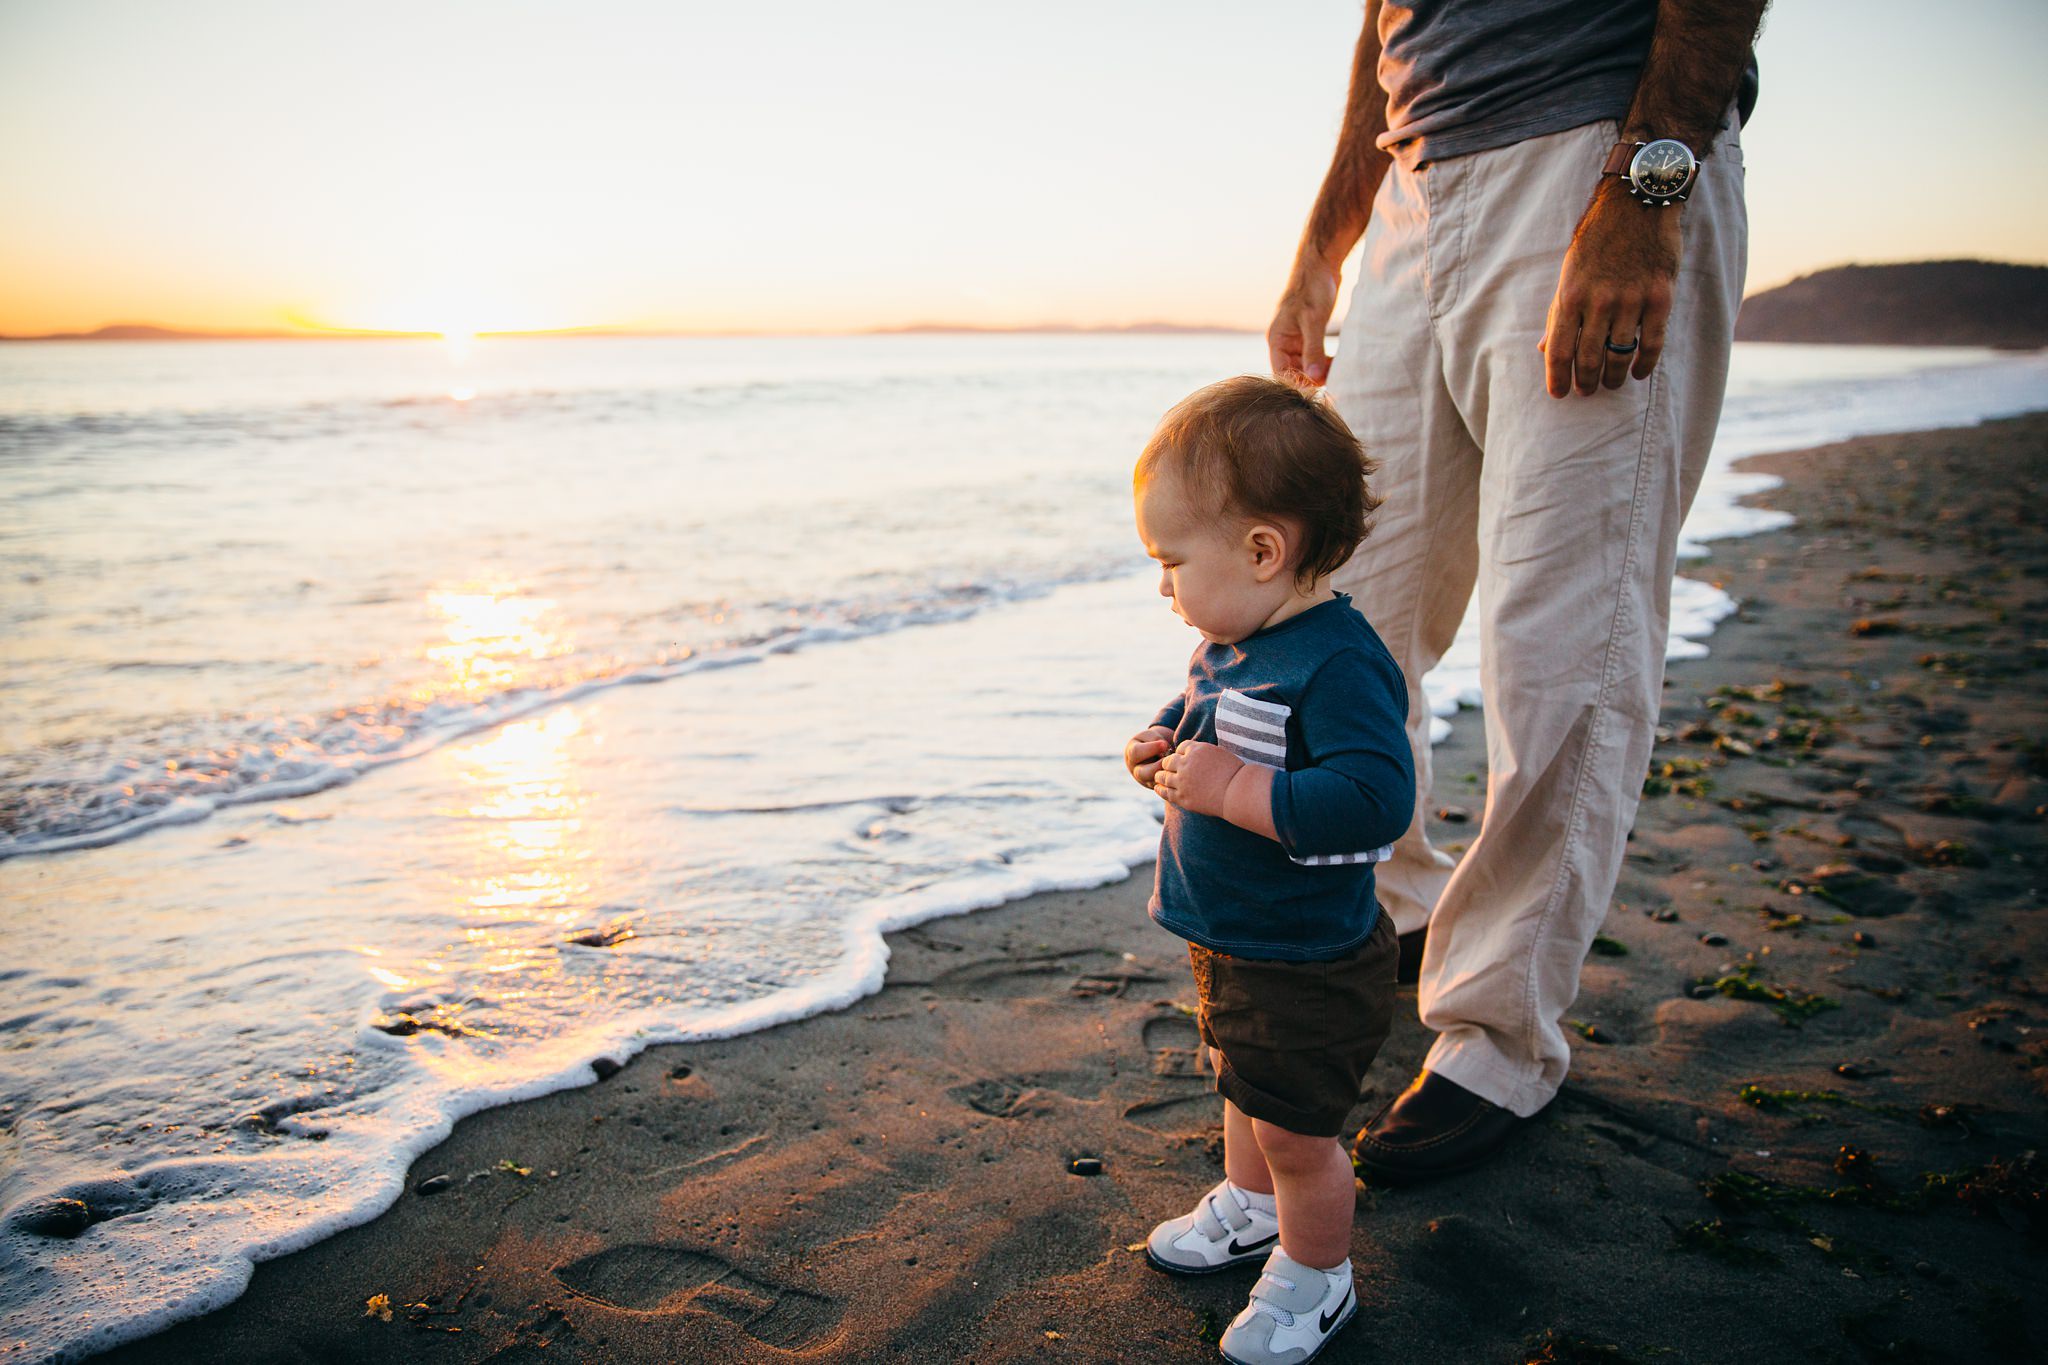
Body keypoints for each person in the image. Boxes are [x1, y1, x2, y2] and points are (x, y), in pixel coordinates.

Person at [1265, 0, 1767, 1184]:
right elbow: (1385, 33)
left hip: (1586, 159)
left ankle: (1497, 1034)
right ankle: (1392, 905)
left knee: (1562, 638)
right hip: (1410, 192)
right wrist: (1319, 245)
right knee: (1341, 617)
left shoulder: (1625, 180)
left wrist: (1644, 194)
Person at [1123, 375, 1414, 1365]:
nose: (1162, 586)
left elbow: (1375, 802)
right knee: (1241, 1085)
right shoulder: (1234, 637)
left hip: (1304, 956)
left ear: (1261, 551)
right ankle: (1249, 1208)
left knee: (1297, 1131)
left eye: (1170, 562)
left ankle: (1315, 1275)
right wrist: (1166, 738)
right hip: (1234, 935)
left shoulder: (1337, 664)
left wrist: (1233, 790)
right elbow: (1210, 715)